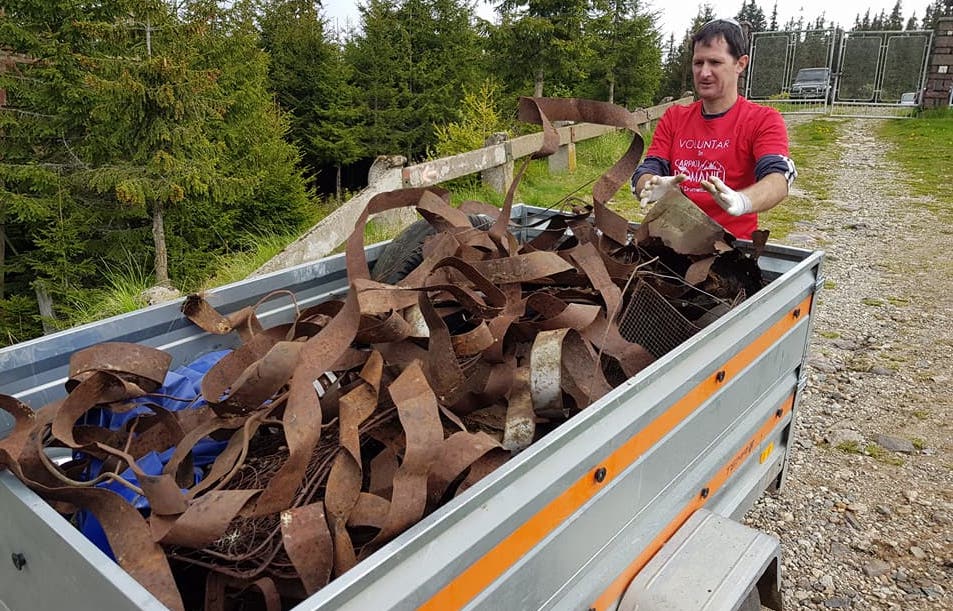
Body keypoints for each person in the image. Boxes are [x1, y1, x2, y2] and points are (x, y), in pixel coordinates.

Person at [632, 18, 796, 240]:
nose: (704, 73)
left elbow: (778, 177)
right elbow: (649, 169)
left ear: (740, 63)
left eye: (715, 63)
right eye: (698, 63)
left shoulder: (762, 119)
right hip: (671, 244)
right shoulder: (675, 117)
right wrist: (651, 186)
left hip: (729, 249)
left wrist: (742, 200)